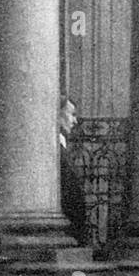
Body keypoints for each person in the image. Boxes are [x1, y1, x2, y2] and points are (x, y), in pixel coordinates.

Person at [58, 96, 91, 246]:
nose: (75, 121)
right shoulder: (55, 148)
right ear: (56, 114)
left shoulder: (62, 144)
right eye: (71, 114)